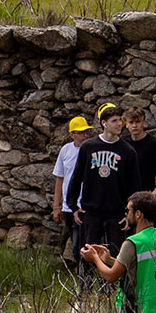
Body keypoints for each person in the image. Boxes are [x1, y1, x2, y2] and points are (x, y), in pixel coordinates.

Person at [67, 103, 141, 286]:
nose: (119, 125)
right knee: (87, 254)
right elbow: (76, 178)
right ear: (104, 123)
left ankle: (117, 292)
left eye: (120, 121)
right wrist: (73, 206)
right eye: (114, 121)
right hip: (91, 211)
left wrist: (129, 214)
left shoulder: (128, 151)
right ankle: (83, 293)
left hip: (116, 212)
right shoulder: (88, 147)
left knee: (117, 256)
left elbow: (135, 186)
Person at [51, 117, 93, 275]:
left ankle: (86, 277)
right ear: (72, 134)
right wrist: (57, 206)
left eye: (87, 131)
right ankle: (84, 276)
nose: (85, 135)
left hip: (85, 206)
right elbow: (59, 179)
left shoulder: (92, 149)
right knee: (76, 245)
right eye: (81, 132)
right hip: (68, 207)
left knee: (80, 244)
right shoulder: (65, 150)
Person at [122, 105, 156, 198]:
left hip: (144, 197)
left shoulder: (153, 143)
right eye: (131, 122)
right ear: (126, 124)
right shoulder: (122, 143)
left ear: (144, 123)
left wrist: (155, 191)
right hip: (123, 196)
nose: (134, 125)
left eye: (138, 122)